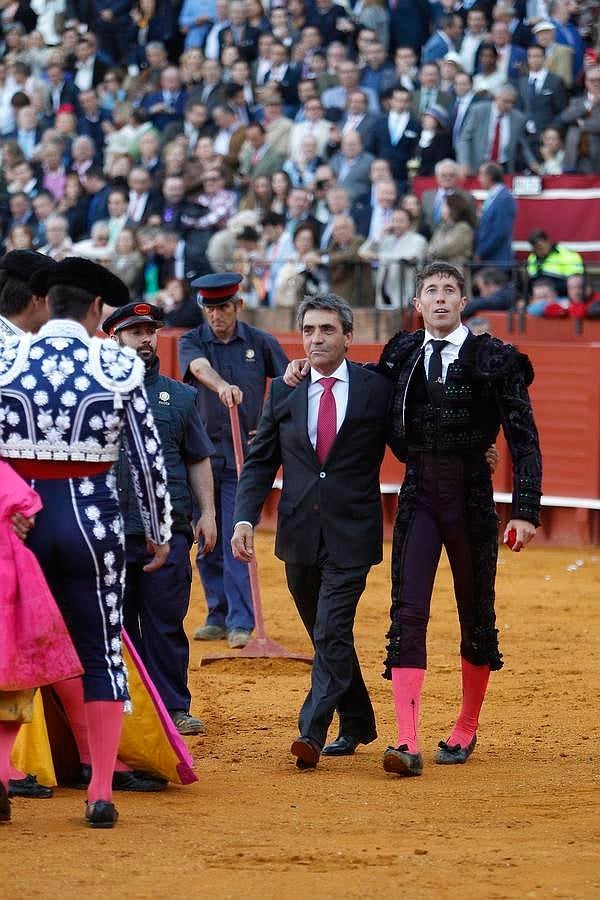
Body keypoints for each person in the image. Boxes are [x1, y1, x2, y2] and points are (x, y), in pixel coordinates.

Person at [0, 257, 172, 828]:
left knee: (10, 650)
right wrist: (160, 531)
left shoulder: (6, 358)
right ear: (97, 310)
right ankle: (100, 791)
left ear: (46, 302)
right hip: (91, 524)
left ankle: (0, 775)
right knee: (100, 653)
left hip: (19, 526)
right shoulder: (119, 363)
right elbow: (148, 462)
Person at [374, 261, 542, 777]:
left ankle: (465, 727)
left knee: (476, 611)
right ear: (418, 303)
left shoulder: (495, 358)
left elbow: (523, 437)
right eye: (431, 291)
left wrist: (526, 511)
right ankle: (406, 739)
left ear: (464, 302)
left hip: (470, 495)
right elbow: (367, 403)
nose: (441, 298)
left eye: (450, 290)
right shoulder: (401, 353)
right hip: (419, 491)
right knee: (408, 611)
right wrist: (305, 373)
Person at [232, 293, 395, 769]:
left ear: (349, 336)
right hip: (299, 533)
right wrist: (244, 517)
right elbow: (262, 461)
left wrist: (469, 450)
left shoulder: (374, 388)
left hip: (353, 532)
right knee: (329, 637)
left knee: (331, 628)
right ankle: (360, 720)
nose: (317, 338)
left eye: (327, 330)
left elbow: (408, 441)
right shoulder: (284, 389)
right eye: (309, 331)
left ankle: (312, 731)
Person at [103, 302, 217, 737]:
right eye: (136, 332)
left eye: (150, 331)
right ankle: (122, 706)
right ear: (114, 337)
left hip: (168, 529)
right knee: (115, 625)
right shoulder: (96, 392)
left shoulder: (181, 395)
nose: (147, 339)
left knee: (165, 622)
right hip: (111, 530)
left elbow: (197, 458)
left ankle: (173, 706)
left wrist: (207, 513)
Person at [178, 273, 288, 649]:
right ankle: (218, 614)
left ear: (237, 306)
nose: (216, 316)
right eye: (209, 308)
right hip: (202, 458)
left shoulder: (260, 342)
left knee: (235, 537)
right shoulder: (193, 341)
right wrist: (221, 385)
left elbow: (290, 384)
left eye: (223, 307)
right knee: (206, 537)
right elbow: (197, 369)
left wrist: (268, 425)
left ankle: (241, 620)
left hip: (246, 458)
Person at [474, 162, 517, 270]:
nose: (479, 179)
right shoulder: (493, 196)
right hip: (490, 259)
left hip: (497, 260)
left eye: (481, 175)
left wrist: (481, 252)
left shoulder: (503, 198)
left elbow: (500, 231)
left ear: (489, 176)